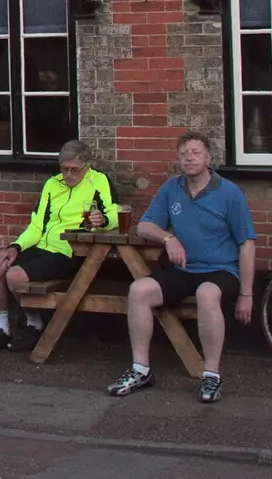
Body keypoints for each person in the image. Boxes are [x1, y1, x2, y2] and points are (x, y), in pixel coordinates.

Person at [107, 131, 256, 404]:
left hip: (221, 270)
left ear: (208, 157)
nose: (189, 158)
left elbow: (246, 244)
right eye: (184, 153)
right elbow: (145, 225)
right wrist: (169, 237)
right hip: (185, 269)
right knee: (139, 290)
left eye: (195, 152)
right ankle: (141, 369)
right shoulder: (171, 188)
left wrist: (247, 294)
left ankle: (211, 374)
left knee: (207, 294)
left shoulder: (229, 192)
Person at [0, 140, 119, 353]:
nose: (69, 175)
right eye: (64, 169)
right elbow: (37, 225)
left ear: (87, 166)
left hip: (70, 250)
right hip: (43, 245)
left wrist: (103, 220)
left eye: (74, 170)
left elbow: (115, 212)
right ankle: (2, 328)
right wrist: (15, 247)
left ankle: (34, 324)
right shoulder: (52, 184)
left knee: (14, 276)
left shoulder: (98, 180)